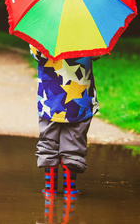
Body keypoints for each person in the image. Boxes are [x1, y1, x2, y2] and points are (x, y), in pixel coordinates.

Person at [30, 45, 99, 197]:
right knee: (74, 142)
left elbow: (36, 55)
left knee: (48, 141)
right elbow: (96, 54)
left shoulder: (41, 36)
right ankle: (70, 188)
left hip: (50, 101)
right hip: (78, 101)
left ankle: (50, 188)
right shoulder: (86, 35)